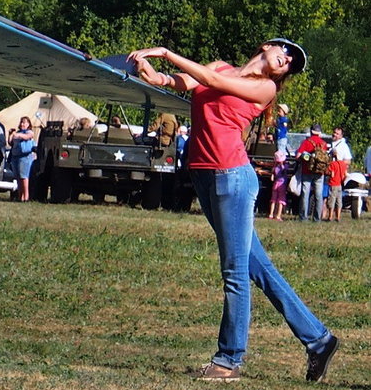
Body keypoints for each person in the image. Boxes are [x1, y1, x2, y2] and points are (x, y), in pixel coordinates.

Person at [129, 39, 338, 382]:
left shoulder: (265, 88)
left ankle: (228, 360)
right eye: (285, 52)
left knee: (235, 272)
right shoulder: (219, 65)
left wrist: (166, 54)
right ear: (267, 45)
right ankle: (319, 340)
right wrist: (156, 76)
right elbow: (185, 82)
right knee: (258, 269)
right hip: (203, 175)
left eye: (290, 64)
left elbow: (212, 84)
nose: (285, 60)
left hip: (232, 179)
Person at [296, 124, 330, 222]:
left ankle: (303, 217)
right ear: (320, 133)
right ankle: (317, 218)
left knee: (305, 194)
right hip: (320, 173)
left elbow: (298, 156)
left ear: (311, 131)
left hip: (307, 170)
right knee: (318, 195)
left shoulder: (306, 142)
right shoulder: (323, 144)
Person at [7, 116, 36, 202]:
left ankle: (26, 197)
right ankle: (20, 196)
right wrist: (10, 134)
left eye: (25, 122)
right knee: (18, 177)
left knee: (24, 177)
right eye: (21, 122)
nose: (23, 124)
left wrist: (18, 135)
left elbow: (27, 137)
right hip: (15, 156)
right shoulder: (17, 132)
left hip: (25, 157)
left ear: (28, 124)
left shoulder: (29, 132)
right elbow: (10, 142)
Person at [325, 152, 346, 222]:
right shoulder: (343, 164)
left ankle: (330, 217)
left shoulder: (332, 164)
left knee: (332, 200)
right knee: (339, 201)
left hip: (333, 184)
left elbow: (328, 172)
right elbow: (345, 174)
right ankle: (338, 217)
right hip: (340, 184)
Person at [267, 150, 288, 221]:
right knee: (281, 200)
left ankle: (271, 214)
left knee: (273, 199)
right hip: (282, 184)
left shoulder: (275, 168)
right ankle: (278, 215)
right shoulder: (284, 166)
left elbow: (272, 177)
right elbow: (285, 170)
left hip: (275, 184)